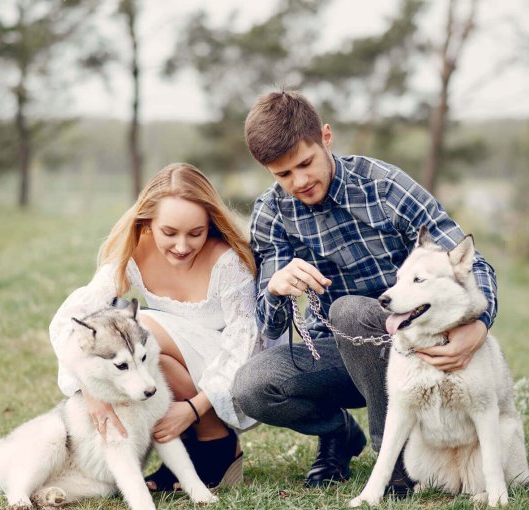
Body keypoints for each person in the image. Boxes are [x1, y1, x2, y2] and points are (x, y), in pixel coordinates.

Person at [232, 90, 498, 496]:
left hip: (415, 345)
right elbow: (270, 326)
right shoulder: (271, 214)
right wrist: (274, 288)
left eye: (306, 163)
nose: (299, 181)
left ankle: (395, 462)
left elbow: (470, 264)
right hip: (337, 354)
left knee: (351, 310)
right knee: (252, 387)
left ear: (326, 136)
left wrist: (478, 326)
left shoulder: (384, 186)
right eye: (283, 175)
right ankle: (340, 433)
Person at [49, 163, 261, 491]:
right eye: (169, 232)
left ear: (210, 224)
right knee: (141, 354)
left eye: (196, 233)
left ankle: (216, 441)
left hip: (233, 373)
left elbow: (243, 344)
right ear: (148, 223)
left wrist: (194, 408)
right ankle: (189, 449)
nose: (181, 246)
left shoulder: (227, 262)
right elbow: (71, 320)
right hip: (183, 366)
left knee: (142, 328)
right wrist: (87, 390)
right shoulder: (135, 253)